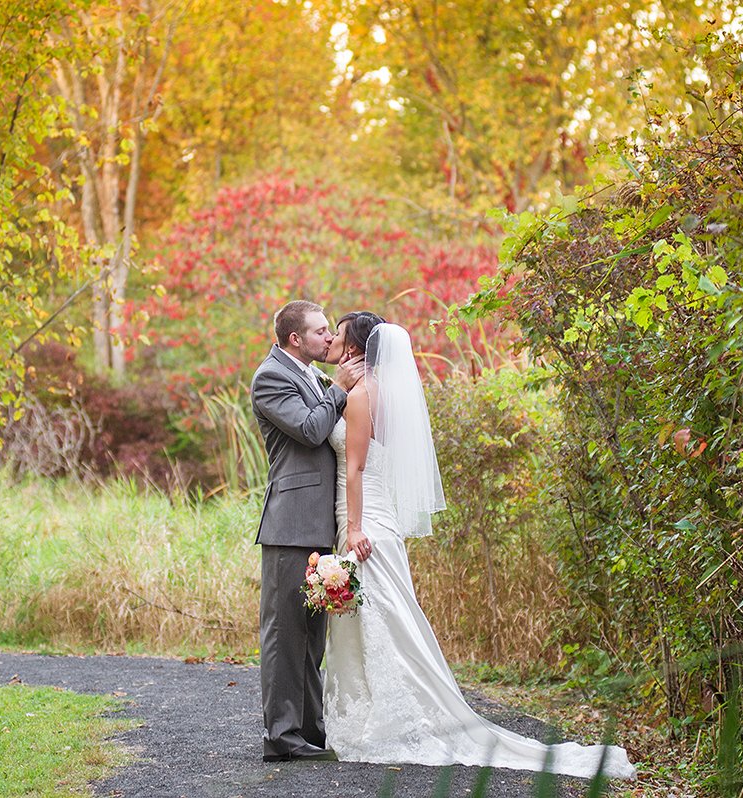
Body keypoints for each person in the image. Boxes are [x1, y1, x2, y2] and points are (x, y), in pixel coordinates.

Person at [318, 311, 637, 781]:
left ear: (353, 348)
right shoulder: (374, 389)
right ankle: (372, 716)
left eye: (338, 334)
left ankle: (389, 719)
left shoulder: (362, 394)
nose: (331, 339)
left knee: (381, 616)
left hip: (366, 521)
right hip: (369, 514)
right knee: (377, 616)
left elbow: (358, 468)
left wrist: (356, 529)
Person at [249, 300, 364, 762]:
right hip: (290, 523)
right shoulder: (270, 377)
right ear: (295, 338)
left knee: (313, 635)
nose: (329, 339)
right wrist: (338, 389)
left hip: (321, 521)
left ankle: (311, 729)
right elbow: (311, 430)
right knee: (285, 633)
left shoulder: (310, 375)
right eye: (320, 332)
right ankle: (281, 737)